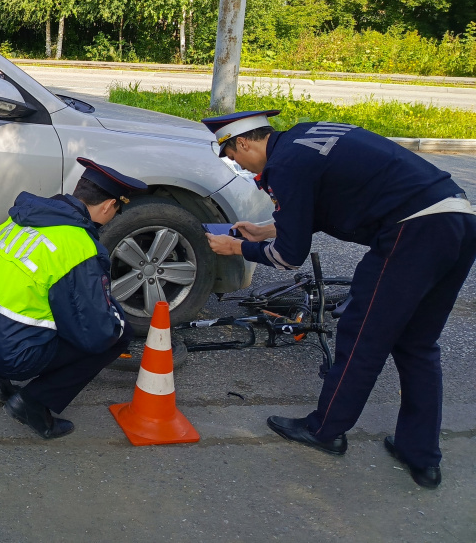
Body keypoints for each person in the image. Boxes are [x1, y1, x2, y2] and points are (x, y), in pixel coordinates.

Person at [202, 110, 476, 488]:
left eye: (233, 156)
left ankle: (325, 430)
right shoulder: (304, 137)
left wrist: (236, 247)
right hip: (458, 219)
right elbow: (331, 197)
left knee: (362, 337)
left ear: (244, 141)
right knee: (418, 345)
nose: (238, 164)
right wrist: (267, 228)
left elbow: (288, 256)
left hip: (411, 233)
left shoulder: (283, 166)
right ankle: (422, 455)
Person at [0, 157, 147, 439]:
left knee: (25, 300)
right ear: (108, 206)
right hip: (12, 353)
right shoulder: (77, 245)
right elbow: (93, 331)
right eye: (116, 212)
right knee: (113, 336)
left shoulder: (20, 219)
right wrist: (118, 322)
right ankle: (31, 403)